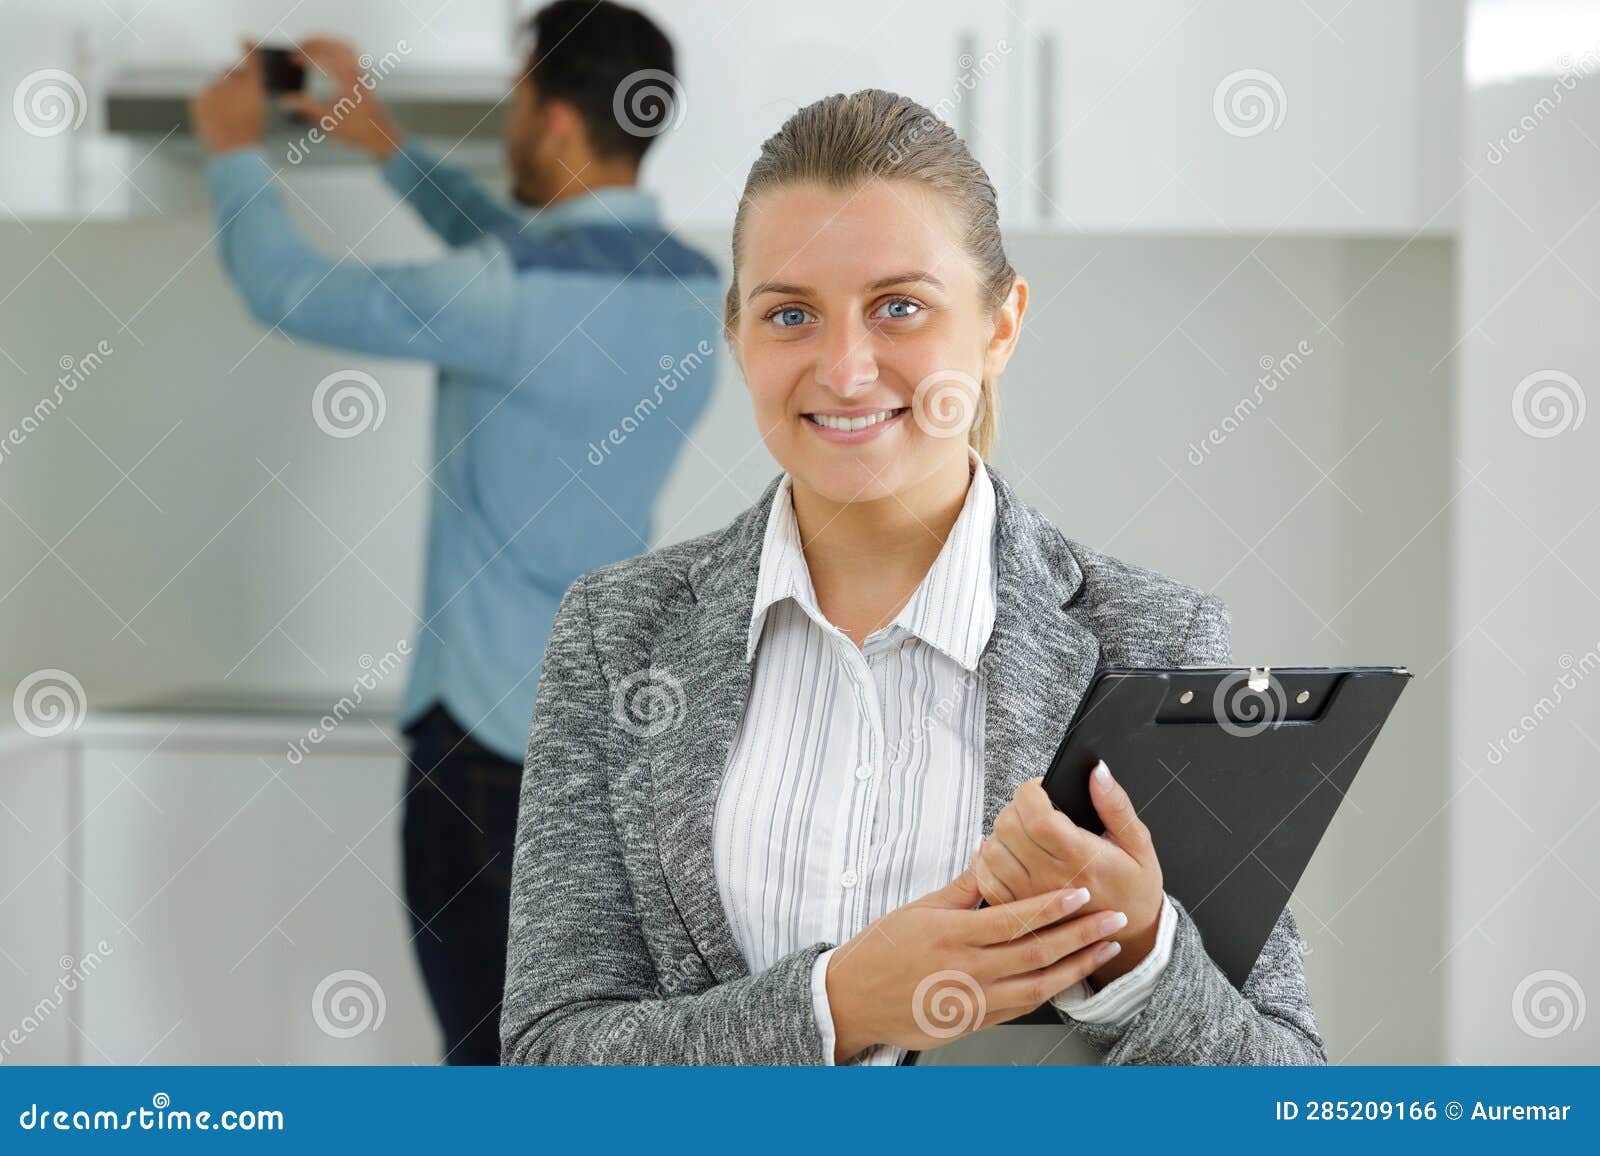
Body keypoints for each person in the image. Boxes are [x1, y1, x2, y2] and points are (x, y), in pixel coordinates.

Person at [500, 88, 1326, 1066]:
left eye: (899, 307)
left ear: (999, 325)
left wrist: (1143, 958)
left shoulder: (1152, 642)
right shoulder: (614, 633)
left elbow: (1281, 1092)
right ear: (737, 333)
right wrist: (833, 1006)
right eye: (791, 313)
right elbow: (549, 1058)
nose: (846, 370)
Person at [189, 1, 721, 1065]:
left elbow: (286, 288)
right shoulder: (695, 288)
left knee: (483, 1065)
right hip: (607, 751)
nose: (511, 125)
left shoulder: (508, 296)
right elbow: (520, 256)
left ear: (558, 126)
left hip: (481, 759)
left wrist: (233, 153)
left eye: (518, 102)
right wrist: (380, 142)